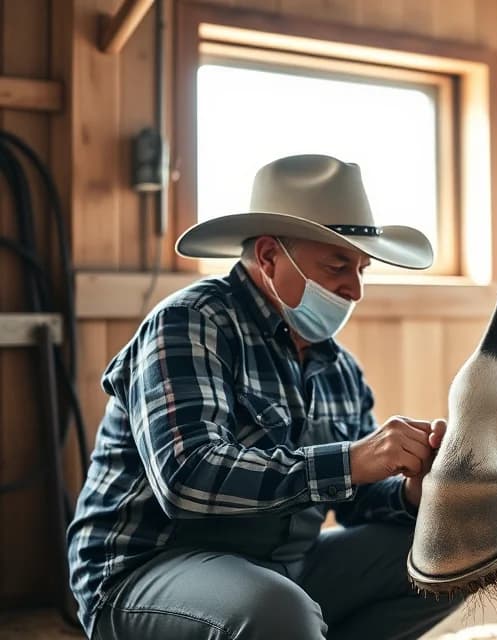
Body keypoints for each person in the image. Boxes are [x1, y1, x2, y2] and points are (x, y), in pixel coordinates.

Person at [67, 154, 461, 639]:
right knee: (276, 611)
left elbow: (357, 500)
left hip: (279, 569)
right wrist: (353, 460)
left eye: (362, 268)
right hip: (146, 570)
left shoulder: (339, 369)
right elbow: (186, 478)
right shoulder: (191, 323)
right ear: (271, 257)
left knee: (453, 556)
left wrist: (409, 489)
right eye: (338, 265)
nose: (355, 289)